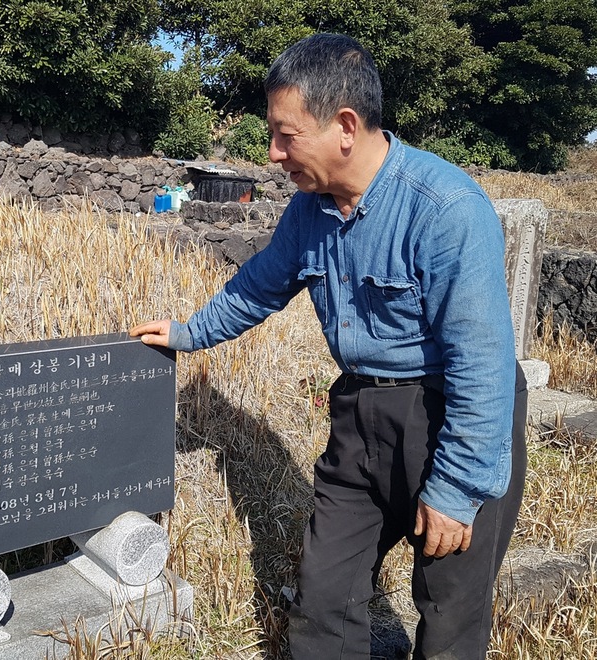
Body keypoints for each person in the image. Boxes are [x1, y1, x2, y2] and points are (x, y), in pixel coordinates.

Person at [130, 33, 527, 659]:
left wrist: (455, 491)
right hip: (358, 417)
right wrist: (184, 334)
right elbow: (257, 288)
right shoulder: (309, 210)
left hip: (448, 416)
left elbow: (483, 369)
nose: (273, 153)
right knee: (323, 595)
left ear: (344, 126)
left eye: (287, 135)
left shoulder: (446, 208)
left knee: (449, 612)